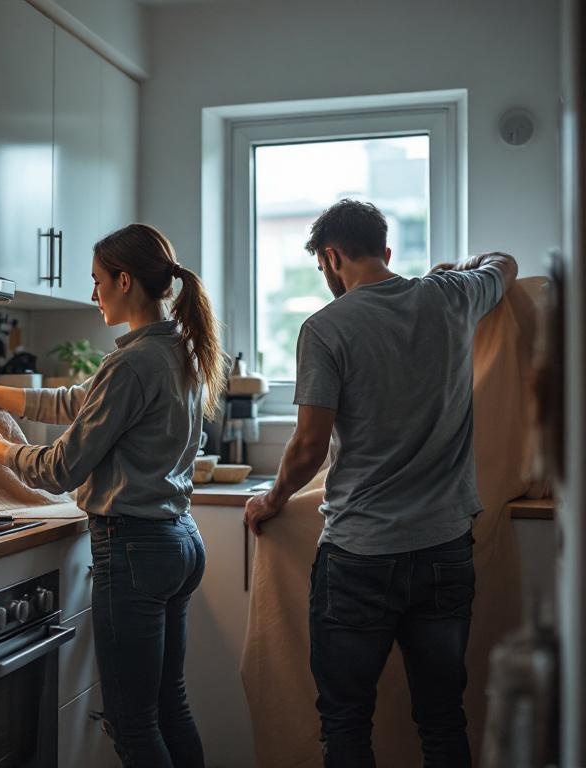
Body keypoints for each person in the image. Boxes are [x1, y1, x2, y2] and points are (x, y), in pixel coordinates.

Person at [0, 223, 225, 768]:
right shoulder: (178, 350)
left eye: (96, 282)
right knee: (168, 705)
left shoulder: (133, 362)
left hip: (135, 548)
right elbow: (76, 402)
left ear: (123, 280)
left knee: (134, 724)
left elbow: (61, 468)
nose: (92, 294)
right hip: (179, 542)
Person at [244, 199, 517, 768]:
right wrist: (457, 269)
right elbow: (506, 263)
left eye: (324, 270)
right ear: (386, 252)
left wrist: (271, 500)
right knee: (443, 719)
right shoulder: (451, 297)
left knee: (346, 723)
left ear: (332, 256)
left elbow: (308, 445)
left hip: (359, 557)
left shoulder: (324, 328)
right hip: (444, 549)